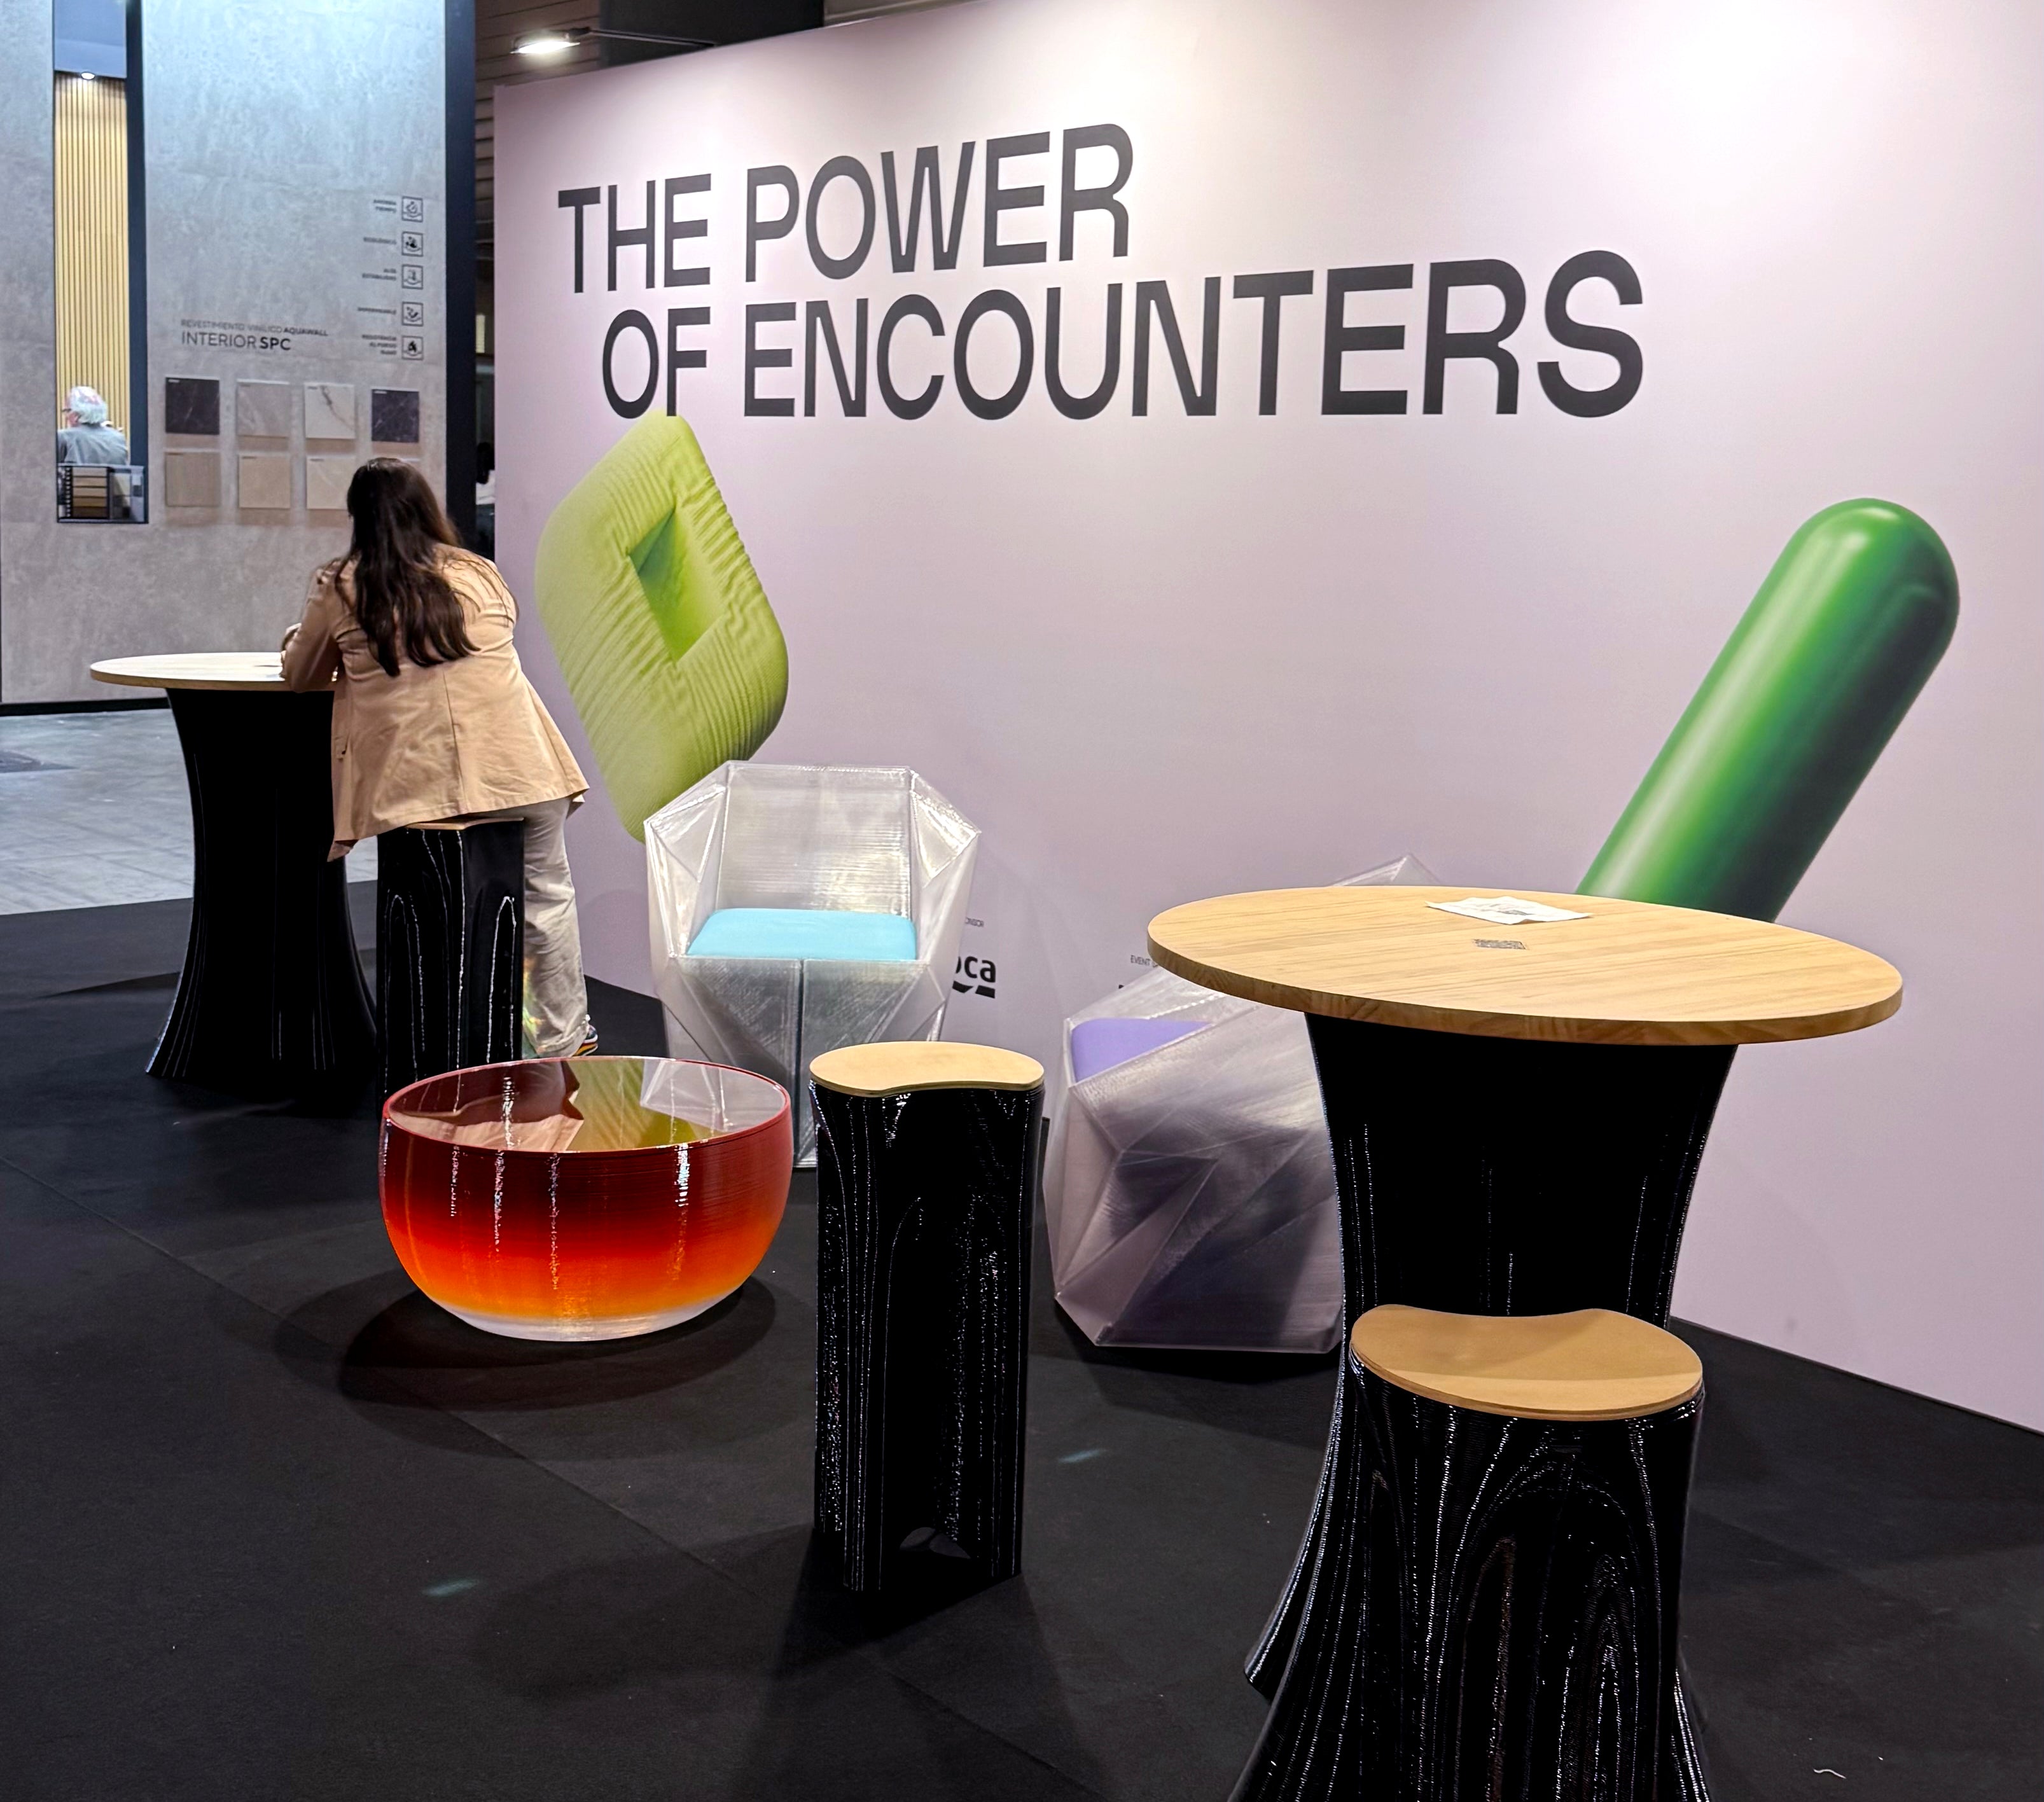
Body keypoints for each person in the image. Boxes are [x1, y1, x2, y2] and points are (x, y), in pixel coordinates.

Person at [281, 458, 595, 1057]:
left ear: (358, 517)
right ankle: (562, 1042)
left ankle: (443, 1049)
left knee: (438, 917)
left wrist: (296, 640)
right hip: (524, 770)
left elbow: (302, 675)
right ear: (428, 507)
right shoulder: (479, 572)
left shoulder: (342, 585)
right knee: (546, 899)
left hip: (420, 790)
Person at [57, 385, 128, 464]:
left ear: (76, 415)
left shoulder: (64, 437)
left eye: (67, 411)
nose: (66, 417)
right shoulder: (118, 439)